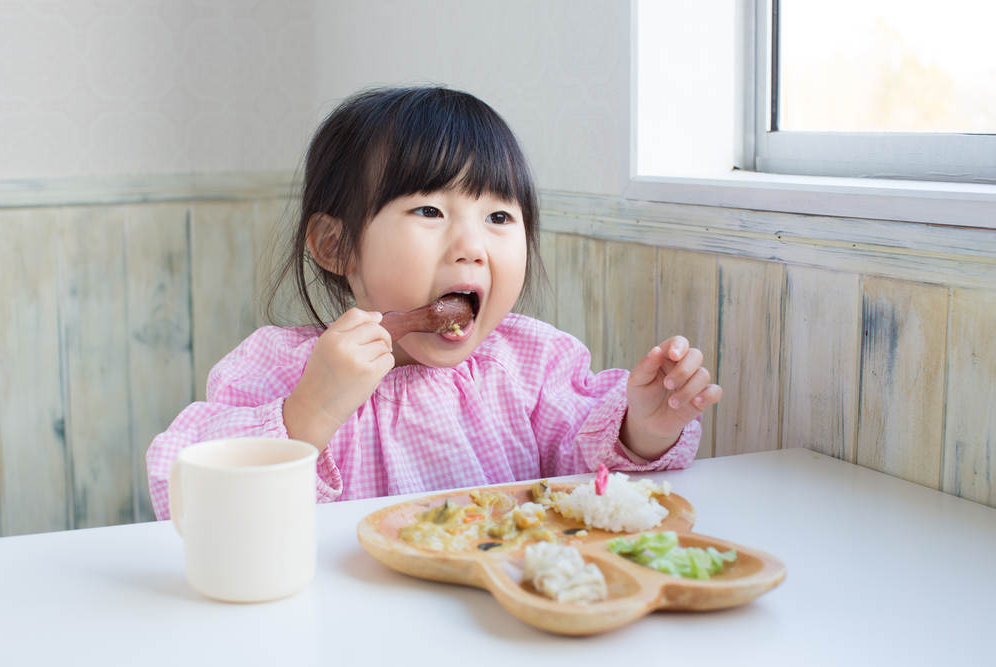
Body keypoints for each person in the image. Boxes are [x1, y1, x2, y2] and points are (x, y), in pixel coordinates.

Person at [147, 86, 722, 520]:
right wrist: (308, 415)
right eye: (429, 211)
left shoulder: (531, 365)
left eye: (499, 217)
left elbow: (590, 474)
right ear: (335, 244)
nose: (472, 246)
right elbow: (183, 491)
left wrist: (641, 430)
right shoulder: (282, 369)